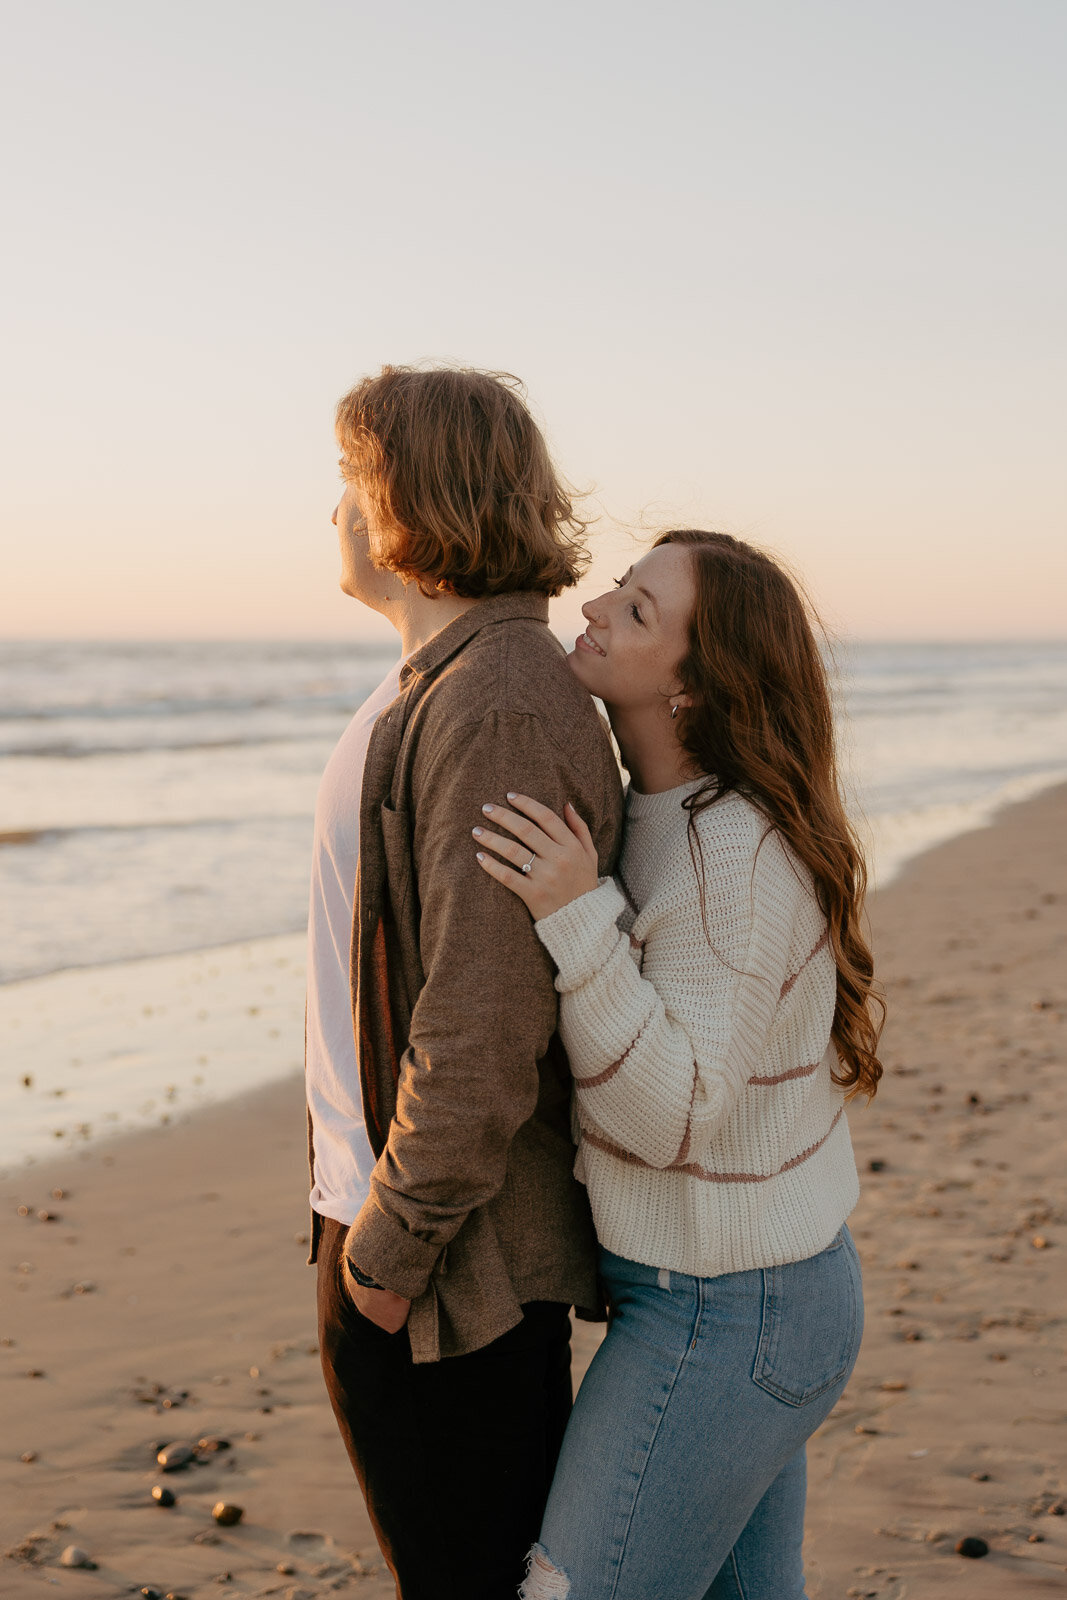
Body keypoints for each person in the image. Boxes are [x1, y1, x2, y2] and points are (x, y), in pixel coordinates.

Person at [473, 529, 884, 1600]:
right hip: (751, 1297)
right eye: (620, 585)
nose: (597, 605)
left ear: (695, 686)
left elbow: (673, 1115)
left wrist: (575, 919)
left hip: (726, 1312)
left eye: (639, 611)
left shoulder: (730, 853)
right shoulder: (659, 815)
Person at [305, 365, 624, 1600]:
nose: (330, 510)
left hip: (447, 1263)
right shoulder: (439, 680)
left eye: (348, 480)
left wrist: (387, 1255)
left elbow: (484, 1016)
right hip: (390, 1219)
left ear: (407, 499)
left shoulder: (493, 696)